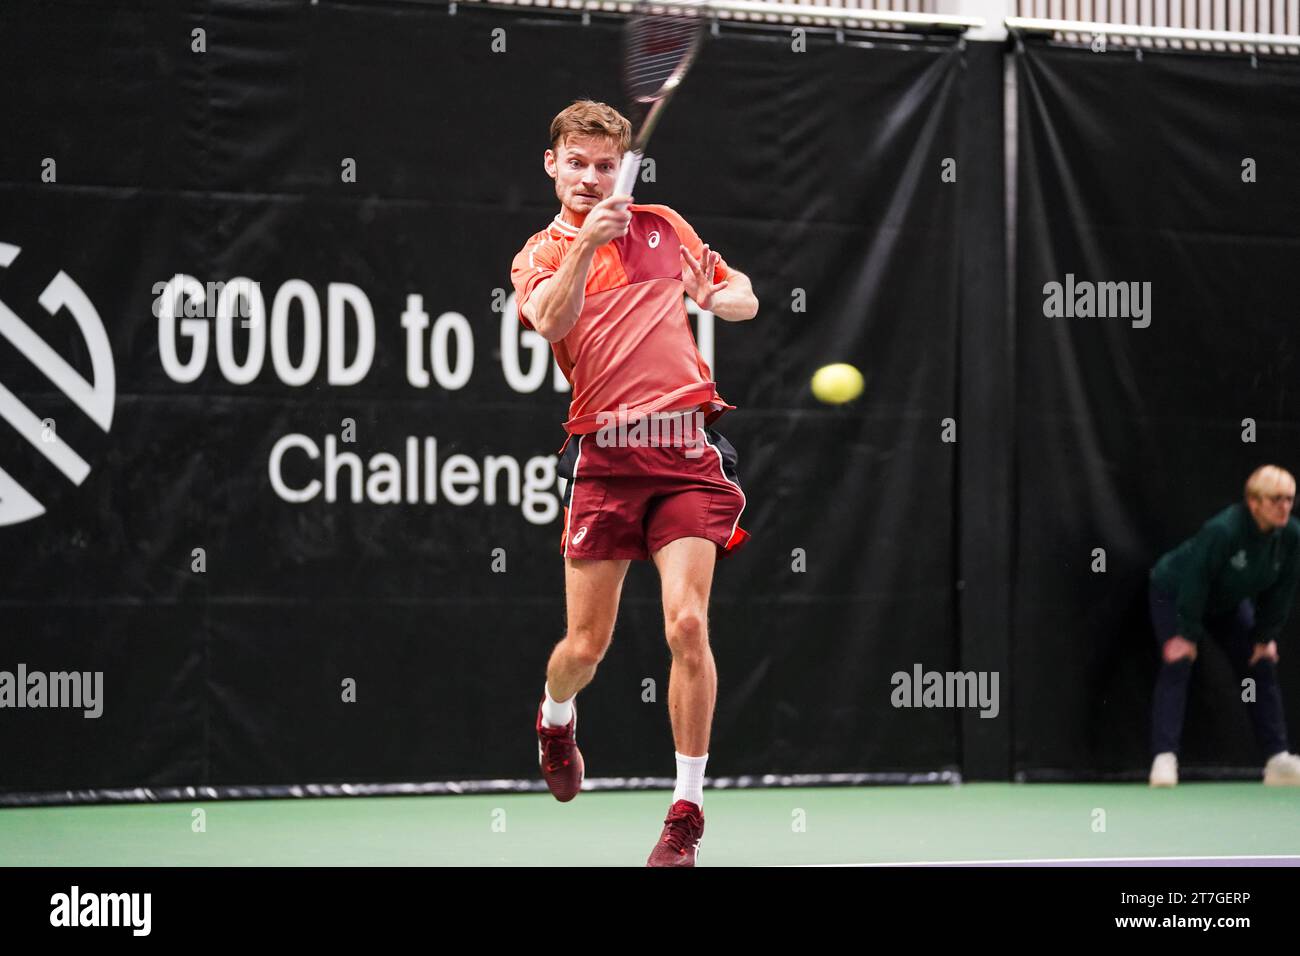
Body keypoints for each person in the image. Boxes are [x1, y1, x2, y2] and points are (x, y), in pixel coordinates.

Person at [508, 100, 759, 865]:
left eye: (604, 164)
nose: (590, 176)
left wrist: (723, 297)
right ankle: (556, 718)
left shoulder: (662, 226)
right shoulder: (538, 253)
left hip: (684, 449)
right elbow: (551, 322)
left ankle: (686, 811)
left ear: (624, 167)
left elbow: (739, 288)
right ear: (552, 165)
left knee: (687, 624)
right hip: (605, 458)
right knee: (585, 647)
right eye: (576, 163)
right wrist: (586, 244)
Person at [1147, 465, 1300, 787]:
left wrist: (1264, 636)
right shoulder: (1224, 530)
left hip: (1225, 602)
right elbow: (1195, 580)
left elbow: (1282, 590)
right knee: (1179, 662)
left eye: (1289, 499)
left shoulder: (1290, 535)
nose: (1284, 507)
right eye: (1275, 499)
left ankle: (1277, 760)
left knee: (1262, 662)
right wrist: (1187, 635)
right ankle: (1164, 758)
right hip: (1175, 591)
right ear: (1253, 503)